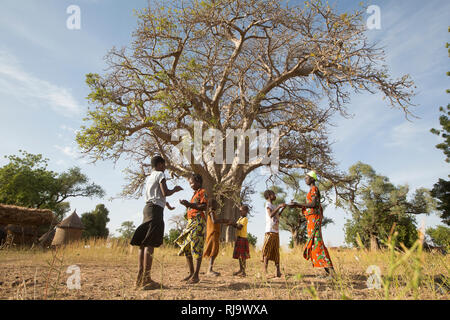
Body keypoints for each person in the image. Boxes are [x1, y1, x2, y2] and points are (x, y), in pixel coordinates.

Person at [130, 156, 183, 289]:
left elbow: (157, 196)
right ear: (160, 165)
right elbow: (165, 192)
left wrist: (168, 205)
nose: (165, 168)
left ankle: (140, 277)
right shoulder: (160, 174)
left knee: (143, 243)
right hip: (155, 212)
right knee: (150, 243)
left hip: (147, 209)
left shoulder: (150, 177)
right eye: (164, 165)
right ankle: (147, 279)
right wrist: (175, 189)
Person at [288, 171, 335, 278]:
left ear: (313, 179)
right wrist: (297, 206)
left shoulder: (314, 189)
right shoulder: (311, 190)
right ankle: (330, 273)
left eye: (307, 178)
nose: (305, 179)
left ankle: (332, 273)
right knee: (315, 243)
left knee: (317, 243)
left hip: (314, 218)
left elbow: (314, 204)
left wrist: (297, 205)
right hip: (311, 219)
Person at [175, 173, 208, 284]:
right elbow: (195, 206)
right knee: (186, 247)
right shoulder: (195, 194)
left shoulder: (203, 192)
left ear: (199, 182)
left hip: (198, 222)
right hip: (191, 222)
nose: (191, 185)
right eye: (190, 183)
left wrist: (189, 204)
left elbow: (204, 206)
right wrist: (187, 205)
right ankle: (191, 273)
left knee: (196, 246)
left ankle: (196, 276)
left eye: (192, 183)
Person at [262, 190, 286, 278]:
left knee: (276, 252)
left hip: (276, 231)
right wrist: (279, 206)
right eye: (273, 194)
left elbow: (277, 215)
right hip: (270, 231)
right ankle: (265, 270)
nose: (275, 195)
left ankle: (278, 271)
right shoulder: (268, 204)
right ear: (269, 195)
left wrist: (282, 208)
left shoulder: (274, 206)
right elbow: (271, 215)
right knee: (267, 250)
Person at [203, 198, 230, 276]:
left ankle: (210, 269)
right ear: (211, 205)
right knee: (213, 251)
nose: (217, 205)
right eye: (215, 204)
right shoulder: (211, 212)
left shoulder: (213, 212)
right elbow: (214, 221)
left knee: (214, 251)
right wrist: (223, 220)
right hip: (213, 234)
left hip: (214, 234)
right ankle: (209, 270)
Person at [229, 205, 250, 277]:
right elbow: (236, 225)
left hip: (243, 238)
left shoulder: (245, 219)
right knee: (240, 256)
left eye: (241, 210)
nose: (240, 212)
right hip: (239, 238)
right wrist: (232, 224)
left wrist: (232, 223)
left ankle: (243, 271)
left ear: (246, 211)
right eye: (239, 210)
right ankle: (241, 270)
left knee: (243, 256)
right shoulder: (240, 218)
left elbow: (239, 227)